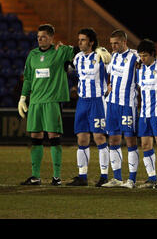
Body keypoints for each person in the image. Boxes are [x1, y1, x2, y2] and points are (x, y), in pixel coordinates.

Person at [18, 24, 74, 186]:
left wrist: (97, 49)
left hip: (51, 101)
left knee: (53, 137)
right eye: (38, 37)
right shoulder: (33, 55)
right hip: (35, 101)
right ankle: (35, 176)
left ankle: (56, 177)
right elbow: (28, 77)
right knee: (35, 137)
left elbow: (77, 51)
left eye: (43, 36)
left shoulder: (59, 52)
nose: (40, 39)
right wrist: (23, 97)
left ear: (51, 38)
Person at [66, 28, 112, 187]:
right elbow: (74, 75)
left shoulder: (100, 56)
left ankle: (104, 175)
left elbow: (113, 67)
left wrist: (111, 85)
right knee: (82, 138)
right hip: (82, 102)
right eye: (79, 40)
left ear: (91, 42)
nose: (79, 42)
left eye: (83, 40)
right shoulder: (77, 58)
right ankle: (82, 176)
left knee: (99, 138)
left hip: (97, 101)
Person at [101, 30, 140, 188]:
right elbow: (109, 75)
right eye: (111, 43)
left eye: (116, 43)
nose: (113, 46)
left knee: (130, 140)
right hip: (112, 104)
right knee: (113, 140)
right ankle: (117, 178)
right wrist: (109, 87)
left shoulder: (135, 56)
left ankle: (131, 179)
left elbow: (147, 63)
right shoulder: (113, 56)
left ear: (125, 42)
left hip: (127, 104)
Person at [135, 39, 157, 189]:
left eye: (145, 55)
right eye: (141, 55)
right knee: (145, 145)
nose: (143, 58)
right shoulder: (140, 69)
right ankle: (152, 177)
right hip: (144, 114)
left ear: (153, 54)